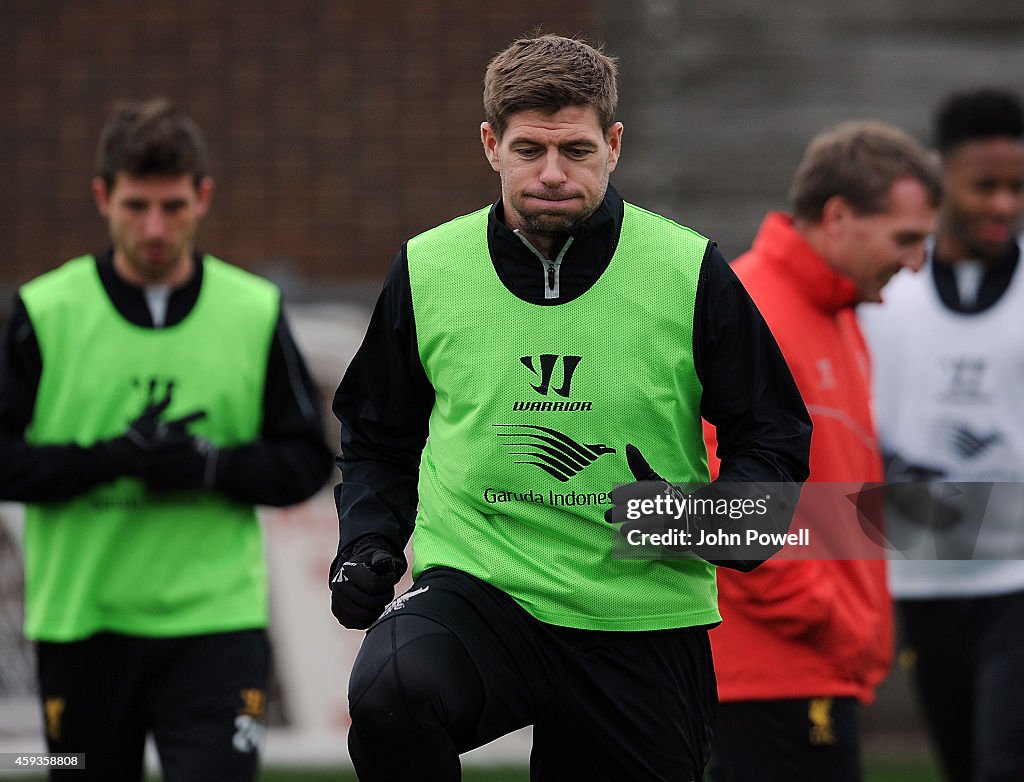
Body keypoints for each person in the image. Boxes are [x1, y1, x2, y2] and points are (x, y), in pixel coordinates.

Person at [328, 33, 811, 782]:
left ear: (614, 145)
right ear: (491, 145)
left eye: (577, 151)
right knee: (393, 694)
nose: (552, 173)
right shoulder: (429, 268)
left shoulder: (687, 269)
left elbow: (773, 429)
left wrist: (718, 517)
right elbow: (376, 438)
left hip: (639, 609)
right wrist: (364, 540)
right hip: (482, 589)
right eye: (528, 150)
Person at [0, 98, 334, 781]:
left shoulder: (253, 311)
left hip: (215, 627)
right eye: (135, 206)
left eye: (174, 207)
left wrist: (209, 467)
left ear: (203, 197)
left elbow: (305, 463)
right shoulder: (44, 311)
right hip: (82, 626)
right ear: (103, 197)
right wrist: (107, 462)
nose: (155, 228)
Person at [704, 121, 941, 782]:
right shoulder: (753, 312)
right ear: (838, 217)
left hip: (811, 670)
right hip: (767, 680)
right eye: (906, 238)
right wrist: (845, 625)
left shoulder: (838, 315)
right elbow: (723, 515)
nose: (919, 261)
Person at [860, 88, 1024, 782]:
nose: (1003, 204)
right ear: (939, 180)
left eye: (1018, 187)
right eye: (984, 185)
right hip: (922, 578)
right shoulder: (886, 292)